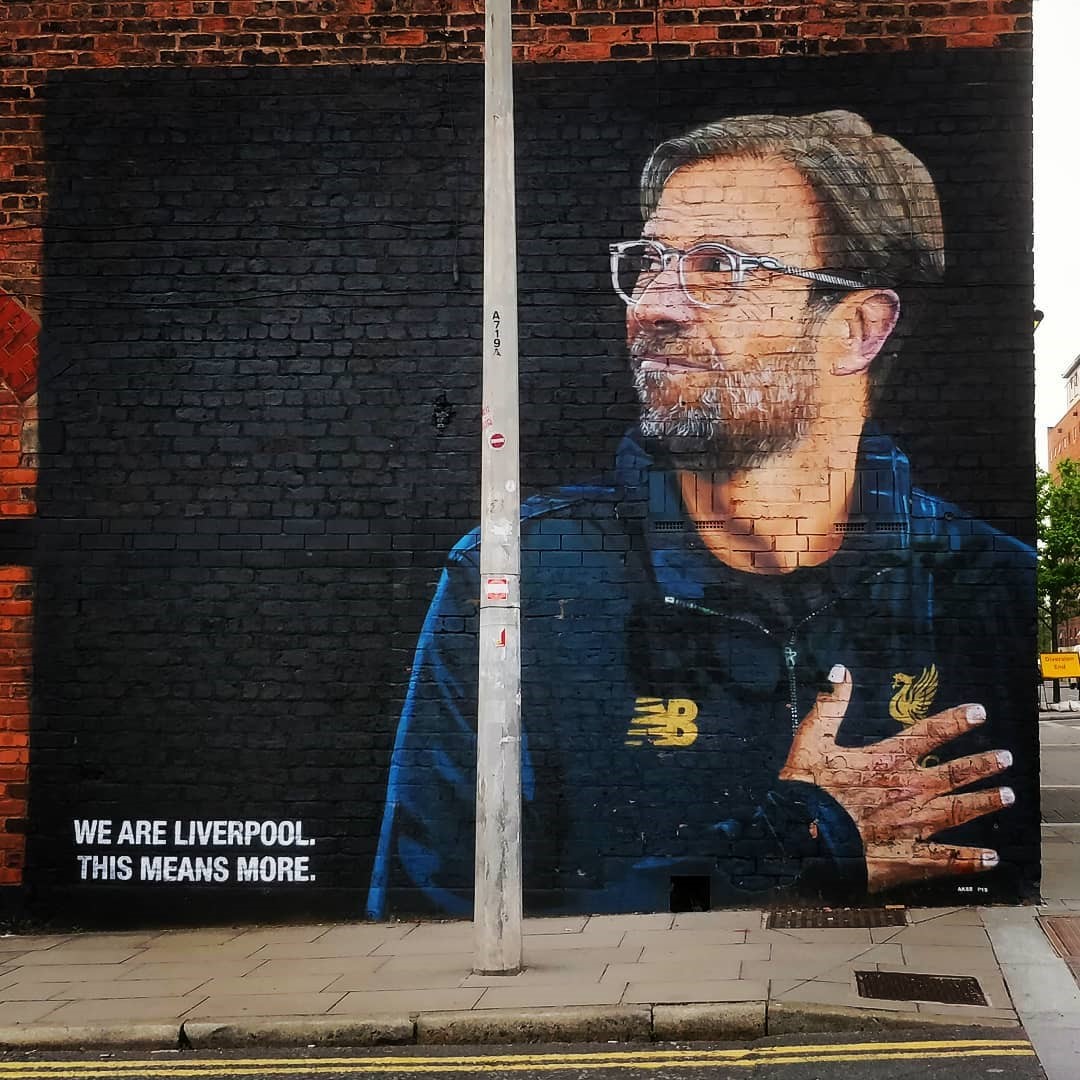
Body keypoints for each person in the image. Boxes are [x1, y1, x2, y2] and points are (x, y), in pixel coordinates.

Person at [366, 110, 1035, 919]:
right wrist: (795, 846)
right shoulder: (521, 577)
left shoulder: (985, 587)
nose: (656, 305)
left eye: (719, 267)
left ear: (858, 328)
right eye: (651, 262)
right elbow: (433, 923)